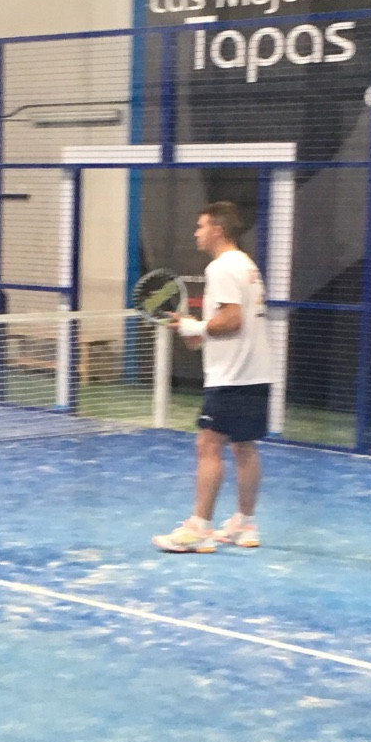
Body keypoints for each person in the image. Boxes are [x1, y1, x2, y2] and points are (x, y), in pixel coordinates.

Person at [152, 202, 271, 554]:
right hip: (256, 373)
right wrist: (195, 329)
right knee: (244, 446)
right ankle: (244, 524)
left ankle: (198, 528)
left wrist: (196, 328)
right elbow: (226, 325)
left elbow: (232, 320)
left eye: (201, 226)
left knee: (208, 446)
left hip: (231, 377)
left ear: (218, 230)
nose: (196, 233)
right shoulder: (247, 266)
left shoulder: (220, 268)